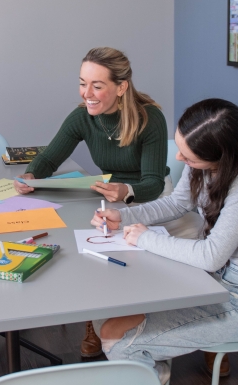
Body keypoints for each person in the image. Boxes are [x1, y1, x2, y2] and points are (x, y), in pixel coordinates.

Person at [89, 98, 238, 385]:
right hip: (212, 279)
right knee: (109, 314)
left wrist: (145, 238)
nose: (179, 160)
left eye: (188, 158)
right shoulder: (207, 162)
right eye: (181, 149)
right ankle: (152, 371)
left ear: (221, 156)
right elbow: (176, 204)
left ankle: (149, 372)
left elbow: (211, 256)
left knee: (119, 338)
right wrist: (122, 217)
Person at [13, 47, 170, 358]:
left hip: (151, 197)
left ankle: (140, 325)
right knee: (89, 249)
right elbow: (49, 157)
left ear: (121, 87)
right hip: (111, 195)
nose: (87, 93)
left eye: (97, 85)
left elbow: (153, 183)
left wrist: (126, 191)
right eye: (83, 83)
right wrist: (32, 176)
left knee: (131, 260)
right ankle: (95, 321)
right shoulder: (82, 117)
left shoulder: (150, 118)